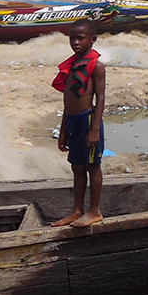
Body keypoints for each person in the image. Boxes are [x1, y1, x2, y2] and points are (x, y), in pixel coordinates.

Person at [51, 19, 107, 227]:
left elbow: (100, 98)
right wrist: (63, 129)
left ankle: (94, 211)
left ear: (92, 40)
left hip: (88, 120)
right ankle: (77, 210)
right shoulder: (71, 66)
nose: (75, 42)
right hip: (73, 122)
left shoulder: (97, 67)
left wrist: (94, 130)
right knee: (77, 166)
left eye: (80, 38)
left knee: (92, 165)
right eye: (71, 38)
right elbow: (68, 101)